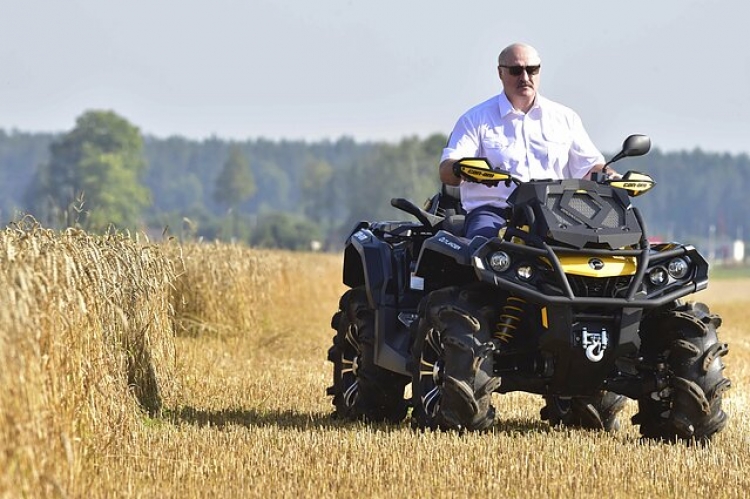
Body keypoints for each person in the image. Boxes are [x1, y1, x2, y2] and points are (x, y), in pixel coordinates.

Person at [439, 42, 614, 238]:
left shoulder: (565, 118)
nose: (525, 77)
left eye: (531, 70)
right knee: (485, 249)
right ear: (500, 73)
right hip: (495, 214)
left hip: (558, 215)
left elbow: (591, 167)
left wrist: (613, 177)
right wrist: (460, 168)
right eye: (516, 70)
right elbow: (447, 170)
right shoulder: (475, 119)